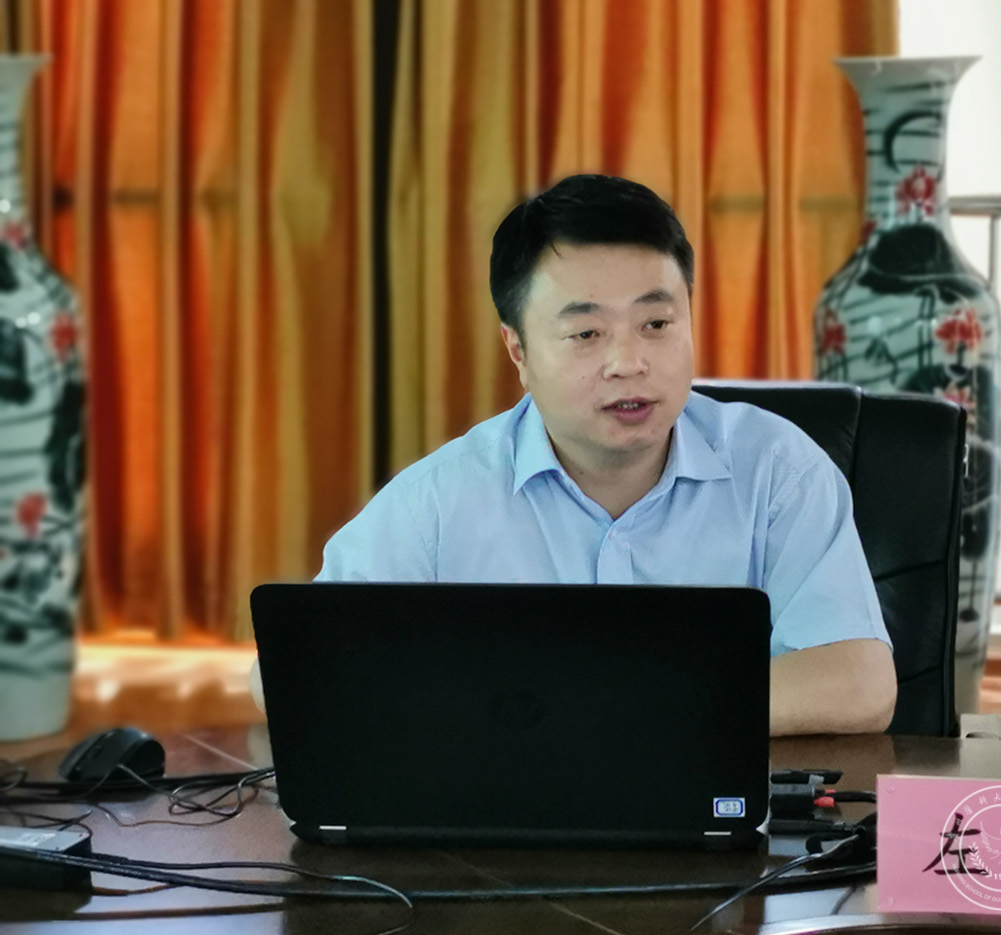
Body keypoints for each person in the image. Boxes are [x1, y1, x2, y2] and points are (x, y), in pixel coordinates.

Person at [253, 174, 896, 736]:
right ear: (519, 352)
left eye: (656, 324)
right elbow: (286, 672)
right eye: (586, 333)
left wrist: (592, 708)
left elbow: (859, 683)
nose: (628, 363)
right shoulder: (443, 499)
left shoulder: (778, 470)